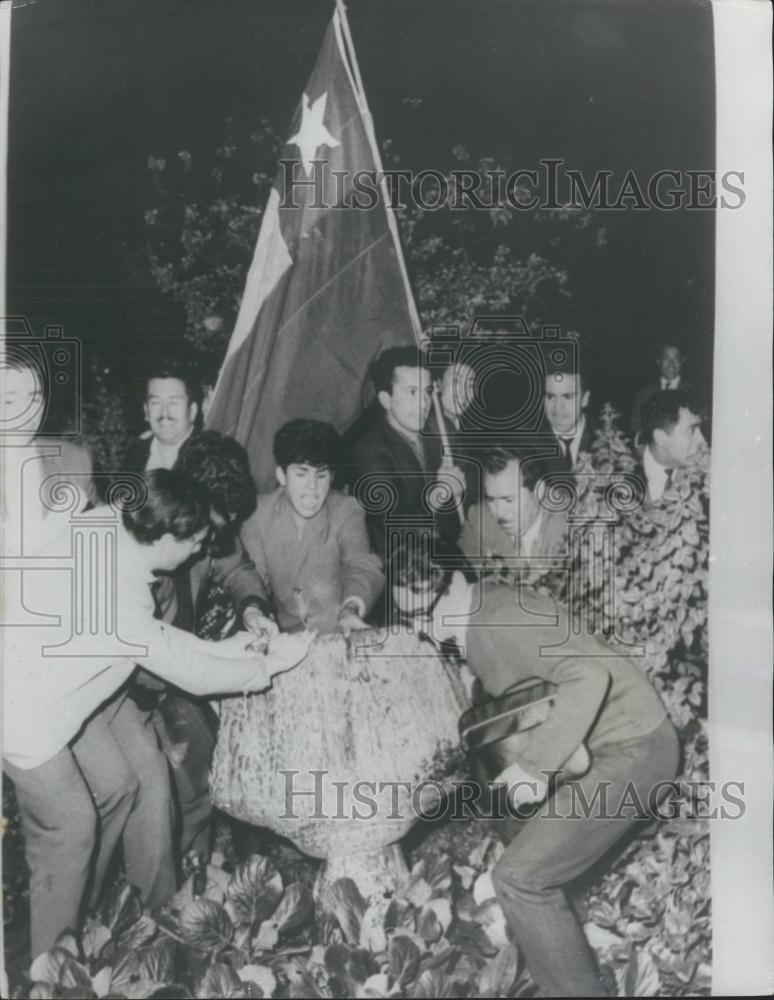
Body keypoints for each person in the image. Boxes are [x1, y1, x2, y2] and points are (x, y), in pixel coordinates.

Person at [2, 469, 312, 958]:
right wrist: (269, 664)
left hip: (49, 689)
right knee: (71, 826)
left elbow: (162, 643)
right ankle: (50, 968)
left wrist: (234, 647)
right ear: (166, 536)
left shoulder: (107, 523)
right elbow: (191, 673)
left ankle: (77, 914)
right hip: (25, 716)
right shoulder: (120, 599)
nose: (195, 552)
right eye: (193, 542)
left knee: (120, 785)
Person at [389, 542, 679, 998]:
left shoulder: (497, 621)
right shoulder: (485, 610)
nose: (422, 630)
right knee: (517, 836)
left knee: (519, 879)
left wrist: (535, 768)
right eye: (410, 619)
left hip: (635, 748)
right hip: (611, 746)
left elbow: (589, 676)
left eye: (426, 612)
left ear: (457, 584)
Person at [138, 431, 277, 863]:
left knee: (224, 755)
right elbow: (157, 658)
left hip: (180, 667)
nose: (223, 534)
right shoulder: (152, 542)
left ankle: (222, 868)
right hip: (142, 679)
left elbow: (239, 568)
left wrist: (253, 608)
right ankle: (183, 879)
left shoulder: (210, 526)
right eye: (221, 521)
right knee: (188, 774)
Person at [241, 418, 384, 635]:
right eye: (301, 474)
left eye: (321, 475)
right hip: (284, 637)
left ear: (332, 476)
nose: (313, 488)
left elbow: (361, 566)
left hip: (339, 631)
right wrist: (257, 615)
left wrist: (351, 609)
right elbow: (254, 580)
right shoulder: (257, 514)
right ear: (281, 475)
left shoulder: (347, 510)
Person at [340, 346, 466, 558]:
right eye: (411, 392)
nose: (424, 403)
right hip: (404, 566)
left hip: (449, 556)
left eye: (426, 392)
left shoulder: (439, 431)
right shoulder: (366, 451)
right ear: (385, 399)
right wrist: (439, 493)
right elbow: (392, 524)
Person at [458, 446, 568, 583]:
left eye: (509, 500)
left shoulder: (570, 523)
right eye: (491, 499)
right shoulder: (479, 520)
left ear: (539, 491)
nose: (499, 512)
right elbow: (459, 581)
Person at [123, 361, 201, 472]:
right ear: (146, 411)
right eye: (155, 403)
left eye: (173, 402)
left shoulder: (209, 459)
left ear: (192, 411)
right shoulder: (135, 455)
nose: (164, 413)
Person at [638, 389, 706, 502]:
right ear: (661, 437)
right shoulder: (618, 474)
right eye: (692, 430)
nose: (702, 441)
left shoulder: (705, 478)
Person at [540, 361, 595, 476]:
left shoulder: (610, 443)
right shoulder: (525, 447)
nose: (558, 407)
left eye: (568, 396)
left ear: (585, 399)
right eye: (550, 396)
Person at [630, 342, 691, 440]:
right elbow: (635, 428)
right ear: (659, 361)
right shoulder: (644, 394)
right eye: (666, 358)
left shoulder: (692, 392)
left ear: (682, 362)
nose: (671, 364)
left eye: (676, 359)